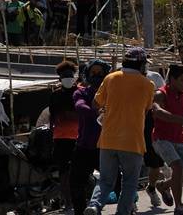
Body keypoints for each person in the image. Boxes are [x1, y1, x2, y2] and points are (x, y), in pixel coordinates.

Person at [84, 48, 155, 215]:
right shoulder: (147, 85)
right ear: (141, 64)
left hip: (108, 139)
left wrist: (109, 109)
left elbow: (95, 104)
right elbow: (145, 111)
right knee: (130, 183)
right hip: (133, 141)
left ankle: (94, 205)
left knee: (105, 181)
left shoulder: (110, 78)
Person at [152, 64, 183, 215]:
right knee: (178, 167)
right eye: (182, 80)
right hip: (161, 139)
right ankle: (179, 207)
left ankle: (163, 186)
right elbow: (158, 112)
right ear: (172, 79)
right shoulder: (161, 94)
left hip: (178, 138)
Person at [71, 59, 111, 215]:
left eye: (100, 73)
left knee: (115, 181)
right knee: (76, 183)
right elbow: (80, 106)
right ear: (87, 74)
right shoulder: (80, 92)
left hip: (106, 146)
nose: (97, 75)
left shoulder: (112, 93)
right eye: (93, 72)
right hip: (84, 146)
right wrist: (97, 112)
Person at [50, 61, 80, 210]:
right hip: (60, 139)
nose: (67, 78)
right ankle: (68, 203)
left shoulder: (81, 93)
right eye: (64, 76)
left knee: (78, 172)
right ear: (59, 78)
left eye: (70, 75)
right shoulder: (55, 95)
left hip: (79, 138)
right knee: (64, 173)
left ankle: (78, 201)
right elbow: (52, 117)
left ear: (74, 76)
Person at [143, 66, 166, 207]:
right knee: (129, 166)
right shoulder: (122, 77)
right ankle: (130, 200)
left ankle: (153, 188)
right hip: (132, 126)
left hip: (152, 125)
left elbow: (164, 97)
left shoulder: (155, 77)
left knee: (156, 164)